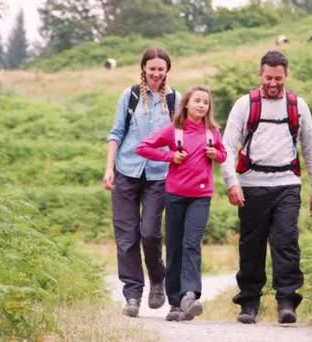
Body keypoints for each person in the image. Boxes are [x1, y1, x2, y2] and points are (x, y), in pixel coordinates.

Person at [220, 50, 312, 324]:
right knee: (251, 245)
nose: (273, 83)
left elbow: (311, 150)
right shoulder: (245, 105)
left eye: (278, 78)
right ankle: (249, 304)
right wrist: (231, 182)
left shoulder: (298, 106)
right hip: (251, 185)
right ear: (260, 75)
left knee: (286, 242)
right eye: (268, 78)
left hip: (287, 185)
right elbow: (227, 147)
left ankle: (287, 302)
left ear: (286, 75)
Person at [137, 85, 226, 322]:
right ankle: (175, 304)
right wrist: (169, 156)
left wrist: (215, 155)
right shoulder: (173, 131)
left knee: (191, 243)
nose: (201, 105)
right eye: (197, 100)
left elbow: (224, 154)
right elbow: (142, 147)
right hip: (175, 195)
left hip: (201, 196)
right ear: (186, 103)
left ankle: (190, 295)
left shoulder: (212, 132)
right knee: (175, 246)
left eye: (205, 102)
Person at [103, 47, 181, 318]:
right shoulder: (130, 95)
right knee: (126, 237)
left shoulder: (174, 99)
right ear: (144, 70)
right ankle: (133, 294)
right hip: (126, 170)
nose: (156, 74)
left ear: (167, 70)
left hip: (160, 174)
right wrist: (109, 169)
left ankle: (157, 279)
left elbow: (180, 139)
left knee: (149, 233)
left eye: (161, 69)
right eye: (152, 69)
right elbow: (116, 133)